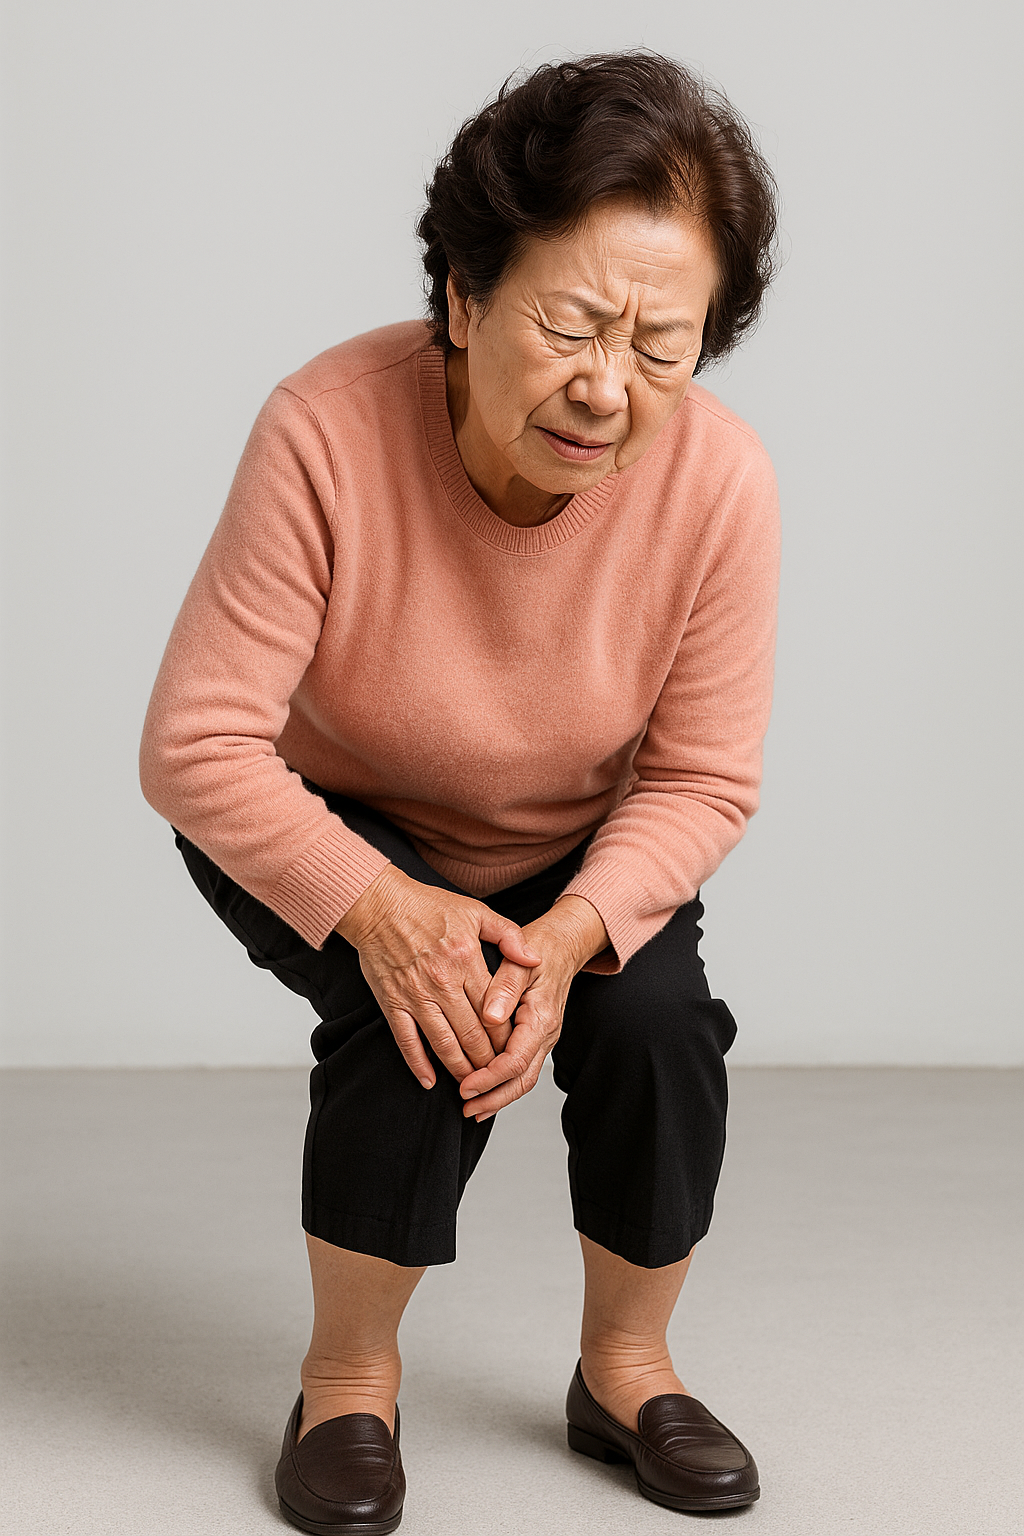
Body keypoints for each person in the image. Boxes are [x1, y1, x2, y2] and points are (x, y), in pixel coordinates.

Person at [139, 49, 780, 1534]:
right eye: (569, 322)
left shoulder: (723, 487)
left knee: (656, 1014)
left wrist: (567, 938)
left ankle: (627, 1365)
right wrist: (382, 908)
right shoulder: (326, 427)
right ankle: (346, 1383)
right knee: (415, 1012)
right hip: (322, 806)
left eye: (661, 345)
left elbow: (701, 779)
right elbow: (198, 744)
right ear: (463, 297)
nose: (607, 387)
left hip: (564, 843)